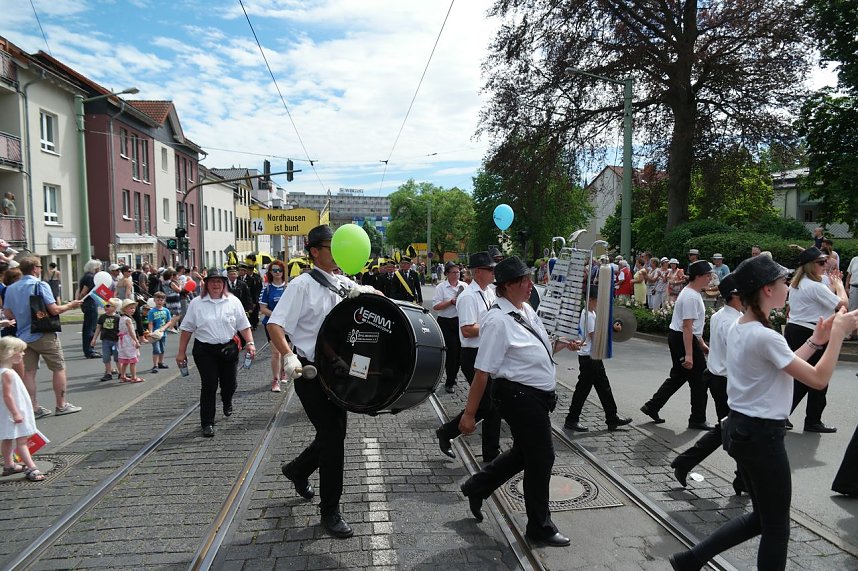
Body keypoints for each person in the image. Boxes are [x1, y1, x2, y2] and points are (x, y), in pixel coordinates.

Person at [668, 255, 858, 570]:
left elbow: (785, 363)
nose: (788, 287)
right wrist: (837, 336)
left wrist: (816, 340)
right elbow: (818, 378)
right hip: (761, 438)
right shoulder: (763, 334)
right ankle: (692, 559)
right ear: (767, 290)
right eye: (784, 282)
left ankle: (691, 559)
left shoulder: (744, 326)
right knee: (776, 526)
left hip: (743, 431)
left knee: (762, 518)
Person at [266, 224, 378, 539]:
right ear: (315, 251)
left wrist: (367, 292)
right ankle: (330, 511)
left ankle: (297, 470)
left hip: (340, 371)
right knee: (332, 436)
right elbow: (275, 325)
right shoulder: (301, 285)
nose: (340, 253)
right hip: (310, 371)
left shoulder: (345, 283)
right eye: (333, 247)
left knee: (334, 435)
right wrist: (287, 355)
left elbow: (381, 303)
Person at [459, 256, 577, 547]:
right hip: (518, 397)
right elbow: (482, 371)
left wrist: (562, 344)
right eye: (523, 281)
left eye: (529, 279)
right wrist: (469, 414)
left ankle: (477, 486)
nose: (530, 285)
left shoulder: (524, 309)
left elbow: (540, 347)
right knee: (542, 457)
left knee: (524, 454)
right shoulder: (498, 320)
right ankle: (539, 526)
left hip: (535, 396)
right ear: (508, 286)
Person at [670, 275, 745, 494]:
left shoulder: (723, 315)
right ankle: (742, 479)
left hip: (718, 377)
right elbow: (737, 357)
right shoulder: (733, 322)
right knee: (734, 431)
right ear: (736, 296)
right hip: (726, 381)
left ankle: (741, 479)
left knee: (729, 429)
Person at [435, 252, 501, 464]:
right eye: (490, 269)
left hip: (488, 352)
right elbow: (467, 330)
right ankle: (450, 434)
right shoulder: (468, 297)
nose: (493, 273)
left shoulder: (490, 292)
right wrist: (493, 327)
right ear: (478, 272)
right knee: (487, 404)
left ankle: (489, 451)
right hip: (473, 356)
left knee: (490, 405)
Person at [176, 268, 255, 438]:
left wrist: (250, 343)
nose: (216, 284)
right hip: (205, 350)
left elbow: (243, 325)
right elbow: (187, 329)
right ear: (206, 283)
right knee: (209, 385)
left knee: (230, 383)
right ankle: (207, 423)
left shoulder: (233, 302)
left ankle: (227, 401)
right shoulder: (196, 303)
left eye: (219, 281)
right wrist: (181, 352)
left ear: (224, 284)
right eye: (212, 281)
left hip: (228, 348)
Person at [3, 256, 83, 418]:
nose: (41, 269)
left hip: (22, 336)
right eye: (40, 267)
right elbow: (54, 310)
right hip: (43, 333)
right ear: (34, 269)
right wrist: (71, 305)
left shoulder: (11, 288)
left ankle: (34, 407)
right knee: (58, 368)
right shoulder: (40, 285)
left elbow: (8, 313)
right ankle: (61, 405)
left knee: (29, 373)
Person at [640, 260, 713, 429]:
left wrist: (700, 344)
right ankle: (697, 418)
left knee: (679, 376)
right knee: (700, 380)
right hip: (682, 338)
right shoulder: (690, 296)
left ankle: (652, 406)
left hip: (682, 337)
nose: (710, 278)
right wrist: (689, 354)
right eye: (708, 275)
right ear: (699, 276)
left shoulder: (691, 293)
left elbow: (692, 327)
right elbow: (687, 326)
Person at [784, 246, 847, 433]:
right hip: (810, 331)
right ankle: (812, 420)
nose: (825, 265)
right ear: (811, 266)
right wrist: (840, 287)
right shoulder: (814, 286)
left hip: (796, 329)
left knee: (802, 377)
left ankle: (782, 415)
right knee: (820, 376)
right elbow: (843, 304)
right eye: (821, 263)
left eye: (825, 262)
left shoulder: (799, 283)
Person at [563, 287, 632, 432]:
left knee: (602, 387)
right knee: (585, 389)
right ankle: (572, 419)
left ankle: (611, 417)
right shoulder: (589, 315)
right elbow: (597, 337)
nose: (598, 303)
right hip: (590, 357)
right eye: (597, 300)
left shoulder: (589, 313)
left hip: (591, 356)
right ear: (591, 300)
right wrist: (614, 330)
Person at [0, 337, 45, 482]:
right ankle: (31, 467)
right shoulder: (7, 373)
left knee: (7, 438)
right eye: (20, 351)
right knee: (22, 441)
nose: (23, 354)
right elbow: (7, 395)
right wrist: (16, 412)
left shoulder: (4, 371)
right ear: (10, 353)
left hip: (7, 412)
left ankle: (9, 465)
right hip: (14, 412)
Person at [432, 261, 463, 394]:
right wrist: (450, 302)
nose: (456, 274)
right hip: (445, 322)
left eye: (458, 272)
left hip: (460, 322)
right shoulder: (441, 287)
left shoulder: (465, 286)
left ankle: (454, 374)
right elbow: (436, 306)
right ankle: (449, 382)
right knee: (451, 353)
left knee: (460, 353)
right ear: (447, 274)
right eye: (454, 272)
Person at [258, 259, 288, 392]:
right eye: (274, 270)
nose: (277, 272)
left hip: (287, 324)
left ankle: (284, 372)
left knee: (286, 351)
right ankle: (275, 380)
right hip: (272, 324)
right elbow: (263, 309)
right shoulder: (267, 288)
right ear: (270, 272)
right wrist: (276, 316)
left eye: (279, 270)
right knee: (276, 352)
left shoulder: (289, 287)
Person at [77, 259, 102, 359]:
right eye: (98, 267)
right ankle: (89, 350)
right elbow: (84, 291)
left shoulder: (86, 276)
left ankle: (89, 349)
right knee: (90, 327)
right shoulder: (90, 277)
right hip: (90, 303)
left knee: (89, 326)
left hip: (88, 303)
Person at [91, 298, 121, 382]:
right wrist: (94, 339)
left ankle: (121, 372)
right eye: (104, 306)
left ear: (114, 308)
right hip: (106, 340)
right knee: (106, 357)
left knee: (117, 356)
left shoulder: (118, 317)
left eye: (108, 306)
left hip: (116, 340)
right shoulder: (102, 317)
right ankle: (108, 373)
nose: (105, 307)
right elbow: (98, 328)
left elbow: (122, 329)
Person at [116, 299, 142, 383]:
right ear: (124, 309)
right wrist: (136, 341)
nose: (133, 310)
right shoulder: (128, 320)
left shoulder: (121, 318)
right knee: (132, 360)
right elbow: (131, 331)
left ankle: (123, 376)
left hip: (122, 341)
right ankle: (134, 377)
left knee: (125, 360)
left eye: (133, 308)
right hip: (128, 340)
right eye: (130, 308)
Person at [147, 292, 172, 374]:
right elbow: (150, 322)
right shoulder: (152, 311)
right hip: (155, 334)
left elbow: (169, 321)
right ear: (154, 300)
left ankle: (160, 363)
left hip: (163, 333)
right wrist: (150, 332)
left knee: (162, 349)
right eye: (158, 300)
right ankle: (155, 365)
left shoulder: (166, 310)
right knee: (156, 349)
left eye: (161, 300)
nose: (159, 301)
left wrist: (164, 328)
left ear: (164, 301)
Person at [240, 263, 263, 330]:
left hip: (250, 300)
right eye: (240, 270)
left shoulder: (252, 279)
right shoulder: (238, 279)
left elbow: (255, 291)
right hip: (241, 300)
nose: (241, 272)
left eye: (242, 270)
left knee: (253, 314)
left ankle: (254, 325)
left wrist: (255, 302)